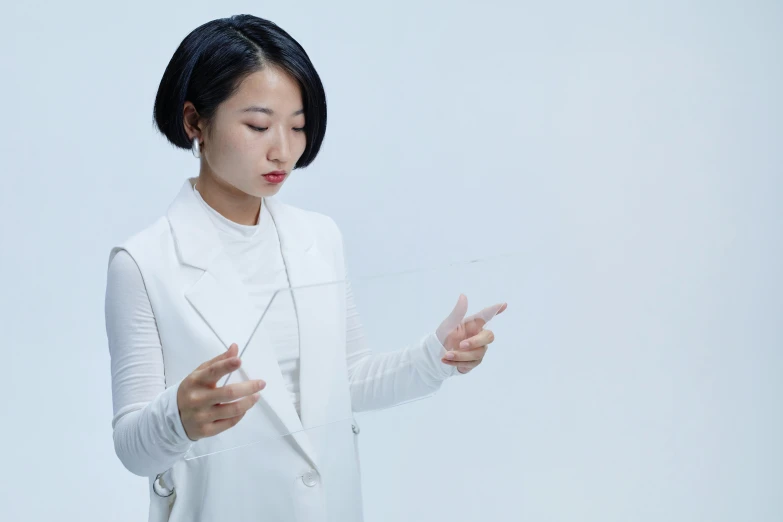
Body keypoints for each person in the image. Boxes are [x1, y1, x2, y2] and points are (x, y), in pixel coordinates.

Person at [104, 14, 506, 522]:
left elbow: (348, 381)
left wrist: (435, 356)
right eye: (257, 125)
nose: (284, 149)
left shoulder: (318, 237)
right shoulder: (142, 263)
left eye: (297, 126)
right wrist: (178, 418)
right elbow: (131, 448)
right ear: (194, 122)